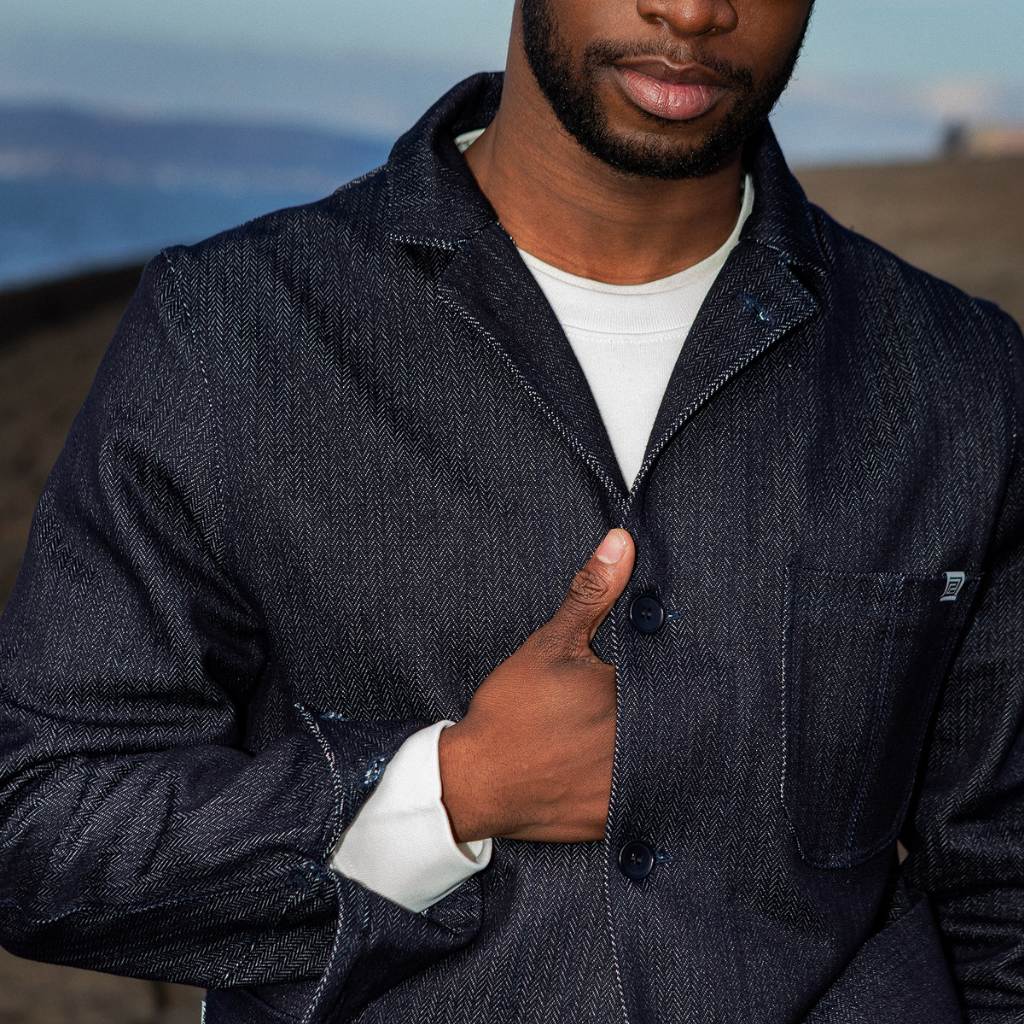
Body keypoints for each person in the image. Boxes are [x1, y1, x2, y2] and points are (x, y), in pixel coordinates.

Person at [1, 1, 1022, 1023]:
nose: (696, 10)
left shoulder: (963, 377)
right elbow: (40, 832)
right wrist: (452, 792)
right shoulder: (228, 331)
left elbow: (1002, 883)